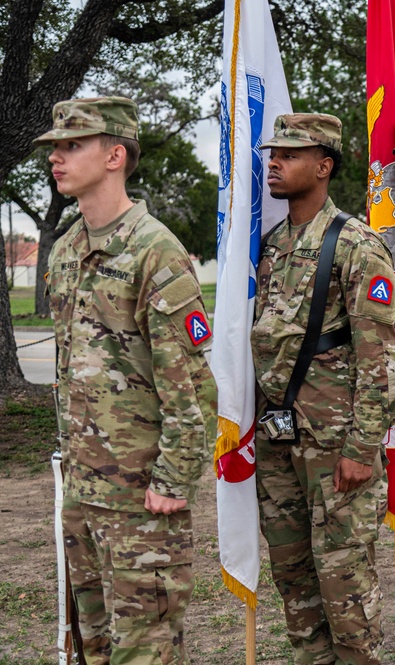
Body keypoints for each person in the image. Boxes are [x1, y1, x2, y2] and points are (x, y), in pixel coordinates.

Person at [41, 96, 217, 664]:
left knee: (146, 648)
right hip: (84, 491)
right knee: (92, 646)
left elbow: (191, 385)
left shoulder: (155, 251)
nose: (57, 158)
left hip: (143, 500)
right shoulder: (66, 250)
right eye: (55, 148)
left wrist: (170, 481)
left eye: (73, 145)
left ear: (115, 155)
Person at [252, 114, 395, 664]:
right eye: (273, 153)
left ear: (324, 166)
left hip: (336, 445)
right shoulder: (273, 244)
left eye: (289, 155)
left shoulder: (355, 245)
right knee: (293, 575)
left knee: (344, 578)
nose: (274, 162)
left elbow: (382, 357)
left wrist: (362, 449)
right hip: (279, 441)